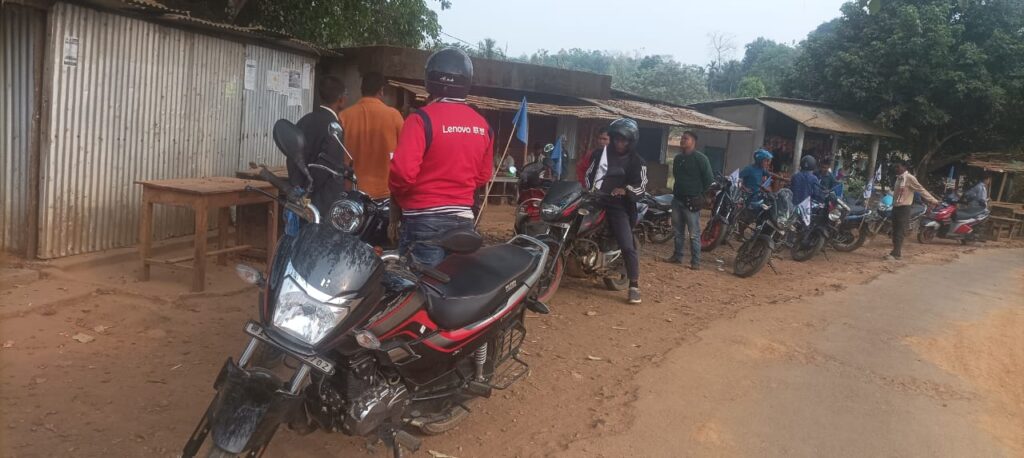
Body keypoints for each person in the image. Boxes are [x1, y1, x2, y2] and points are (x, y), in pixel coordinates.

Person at [389, 48, 494, 267]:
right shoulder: (482, 125)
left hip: (423, 221)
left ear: (431, 80)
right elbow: (483, 176)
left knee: (418, 292)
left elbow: (403, 173)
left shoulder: (420, 120)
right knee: (454, 291)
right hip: (464, 222)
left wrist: (400, 198)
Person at [584, 118, 648, 304]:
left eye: (624, 140)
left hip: (618, 204)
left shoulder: (637, 161)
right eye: (617, 139)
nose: (620, 143)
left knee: (627, 244)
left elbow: (642, 186)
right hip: (595, 199)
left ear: (631, 141)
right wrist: (590, 189)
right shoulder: (599, 154)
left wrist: (625, 190)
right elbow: (589, 175)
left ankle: (634, 285)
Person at [339, 71, 405, 199]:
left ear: (361, 90)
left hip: (353, 192)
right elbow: (405, 154)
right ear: (381, 91)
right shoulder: (394, 116)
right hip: (386, 193)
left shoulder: (344, 116)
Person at [290, 75, 348, 216]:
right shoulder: (334, 126)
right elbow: (327, 165)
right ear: (340, 99)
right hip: (323, 201)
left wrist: (299, 187)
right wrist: (310, 190)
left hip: (300, 197)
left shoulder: (304, 120)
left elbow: (291, 155)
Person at [666, 131, 714, 270]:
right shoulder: (677, 158)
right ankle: (677, 256)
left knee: (694, 233)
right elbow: (676, 176)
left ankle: (695, 262)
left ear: (693, 141)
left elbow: (709, 181)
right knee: (677, 231)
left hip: (692, 202)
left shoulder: (701, 159)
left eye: (685, 138)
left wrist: (702, 197)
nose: (682, 140)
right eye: (682, 138)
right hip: (677, 199)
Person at [887, 159, 939, 261]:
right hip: (896, 207)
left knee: (899, 231)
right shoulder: (898, 179)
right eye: (895, 167)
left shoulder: (909, 178)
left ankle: (897, 254)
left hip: (904, 208)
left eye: (898, 167)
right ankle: (894, 251)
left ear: (904, 167)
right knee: (895, 230)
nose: (896, 169)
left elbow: (921, 190)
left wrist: (933, 200)